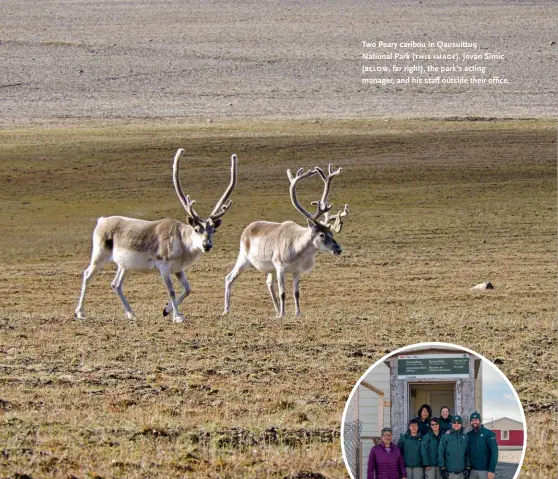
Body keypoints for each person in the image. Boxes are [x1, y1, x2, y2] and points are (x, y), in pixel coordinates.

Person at [466, 411, 498, 479]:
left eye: (476, 420)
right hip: (472, 471)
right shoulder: (468, 435)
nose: (474, 422)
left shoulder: (489, 434)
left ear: (480, 421)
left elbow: (494, 453)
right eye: (472, 420)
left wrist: (491, 470)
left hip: (485, 471)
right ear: (470, 422)